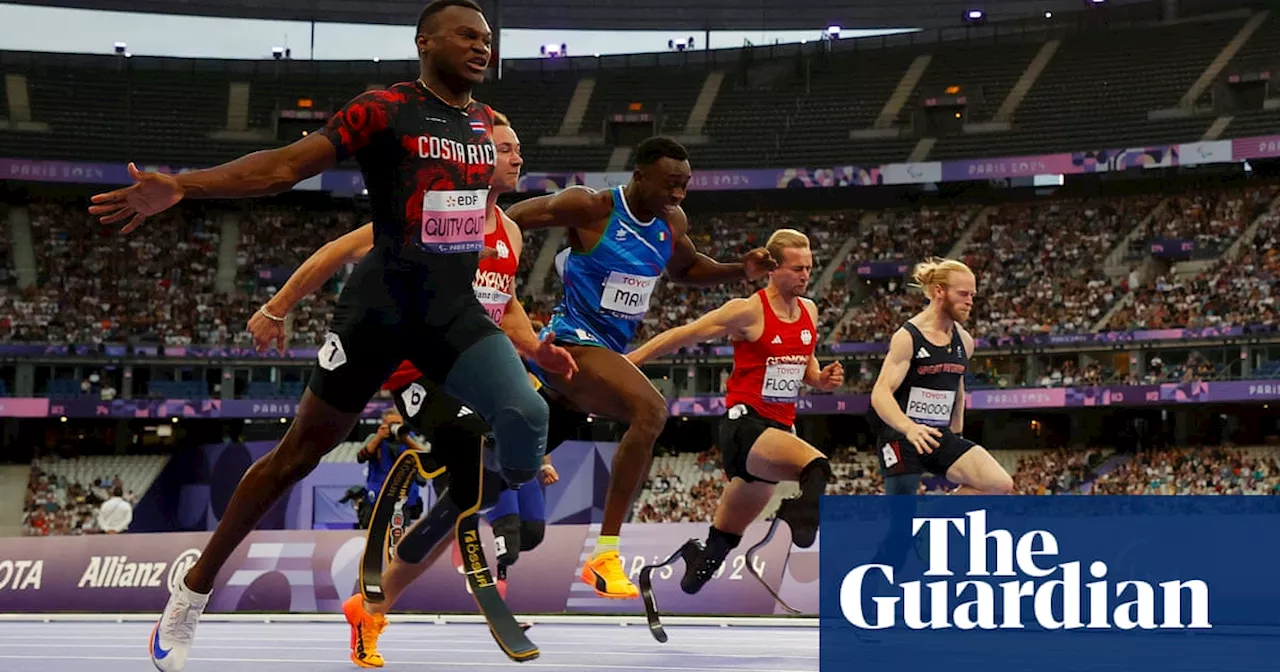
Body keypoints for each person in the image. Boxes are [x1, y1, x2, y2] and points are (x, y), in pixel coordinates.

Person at [88, 3, 551, 671]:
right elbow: (283, 168)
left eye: (488, 38)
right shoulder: (385, 108)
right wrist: (184, 187)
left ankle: (480, 518)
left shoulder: (483, 127)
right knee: (295, 458)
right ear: (425, 41)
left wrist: (532, 340)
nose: (482, 47)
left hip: (452, 319)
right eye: (466, 35)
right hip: (380, 314)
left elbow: (475, 230)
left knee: (527, 411)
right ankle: (191, 590)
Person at [241, 111, 579, 668]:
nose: (519, 157)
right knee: (475, 459)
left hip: (472, 367)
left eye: (520, 147)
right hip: (415, 368)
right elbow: (336, 253)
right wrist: (275, 307)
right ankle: (434, 457)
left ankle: (372, 606)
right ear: (475, 156)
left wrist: (536, 348)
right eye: (506, 147)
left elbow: (505, 303)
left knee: (476, 493)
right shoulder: (433, 212)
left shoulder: (512, 232)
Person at [505, 135, 776, 599]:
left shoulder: (672, 222)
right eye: (670, 184)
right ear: (639, 176)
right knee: (651, 412)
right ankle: (605, 555)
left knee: (496, 464)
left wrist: (740, 271)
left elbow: (686, 270)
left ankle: (455, 497)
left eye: (685, 186)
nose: (678, 194)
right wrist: (494, 283)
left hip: (604, 355)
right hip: (572, 343)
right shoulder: (591, 208)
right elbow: (510, 220)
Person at [626, 229, 843, 592]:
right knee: (817, 467)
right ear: (773, 269)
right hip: (746, 428)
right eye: (796, 269)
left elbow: (801, 356)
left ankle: (695, 558)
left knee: (719, 547)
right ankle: (793, 515)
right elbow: (684, 334)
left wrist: (819, 379)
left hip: (777, 433)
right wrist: (629, 362)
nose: (806, 275)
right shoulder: (747, 311)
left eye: (809, 267)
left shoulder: (810, 311)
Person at [869, 257, 1014, 497]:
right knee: (901, 527)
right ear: (939, 291)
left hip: (938, 436)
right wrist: (909, 428)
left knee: (999, 484)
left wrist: (956, 436)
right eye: (963, 294)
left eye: (972, 295)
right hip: (902, 437)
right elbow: (880, 393)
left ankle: (931, 520)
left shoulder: (964, 341)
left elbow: (957, 392)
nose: (970, 302)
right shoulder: (909, 337)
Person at [357, 409, 428, 540]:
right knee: (374, 533)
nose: (396, 427)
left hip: (403, 498)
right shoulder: (375, 438)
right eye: (392, 424)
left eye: (399, 423)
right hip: (378, 496)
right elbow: (361, 457)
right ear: (384, 424)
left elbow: (426, 458)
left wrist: (406, 439)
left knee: (400, 534)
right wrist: (379, 437)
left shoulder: (409, 438)